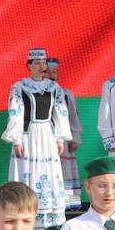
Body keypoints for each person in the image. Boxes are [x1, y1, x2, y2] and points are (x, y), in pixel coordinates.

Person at [3, 49, 73, 230]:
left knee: (46, 172)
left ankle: (45, 219)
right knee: (27, 172)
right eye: (37, 63)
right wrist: (16, 139)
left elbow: (60, 112)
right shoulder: (19, 87)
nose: (41, 66)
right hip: (28, 135)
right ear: (29, 66)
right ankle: (26, 217)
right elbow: (15, 112)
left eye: (43, 63)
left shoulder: (54, 87)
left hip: (47, 135)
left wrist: (59, 137)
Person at [44, 58, 83, 220]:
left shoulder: (66, 94)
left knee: (65, 171)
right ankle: (48, 205)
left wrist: (76, 137)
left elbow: (73, 117)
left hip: (64, 143)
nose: (52, 75)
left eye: (54, 72)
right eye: (48, 72)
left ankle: (70, 208)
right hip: (44, 141)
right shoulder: (37, 93)